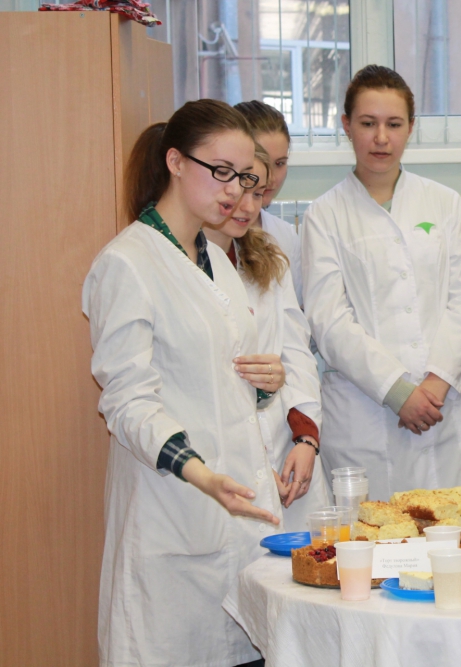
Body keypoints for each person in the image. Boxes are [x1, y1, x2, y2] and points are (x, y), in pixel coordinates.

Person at [83, 99, 286, 666]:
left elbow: (216, 381)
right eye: (220, 171)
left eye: (244, 177)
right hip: (174, 516)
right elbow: (127, 402)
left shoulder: (215, 261)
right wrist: (201, 474)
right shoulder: (128, 263)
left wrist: (267, 382)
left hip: (237, 525)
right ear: (175, 162)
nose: (234, 190)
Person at [301, 65, 461, 501]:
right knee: (373, 533)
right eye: (368, 123)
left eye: (394, 124)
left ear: (411, 128)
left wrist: (435, 384)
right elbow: (329, 320)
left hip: (443, 406)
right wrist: (399, 392)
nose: (381, 138)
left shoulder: (442, 203)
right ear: (346, 126)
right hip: (365, 413)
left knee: (453, 528)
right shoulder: (324, 215)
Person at [202, 146, 330, 530]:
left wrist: (306, 439)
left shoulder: (268, 257)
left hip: (287, 448)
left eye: (258, 194)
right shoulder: (183, 267)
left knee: (309, 559)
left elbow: (296, 353)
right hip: (222, 462)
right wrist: (250, 463)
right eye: (241, 191)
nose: (248, 206)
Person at [234, 100, 303, 306]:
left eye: (280, 163)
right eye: (261, 162)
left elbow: (296, 311)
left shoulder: (284, 235)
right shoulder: (211, 234)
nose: (270, 178)